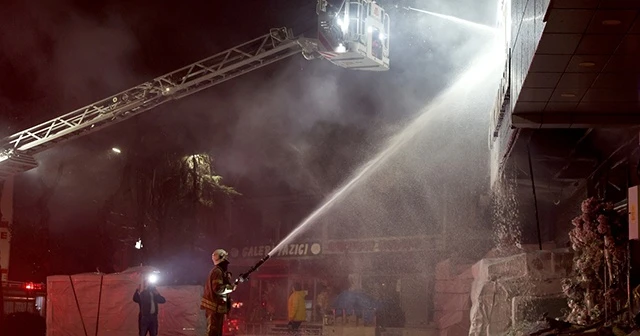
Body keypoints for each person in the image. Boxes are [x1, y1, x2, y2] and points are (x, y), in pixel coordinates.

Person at [201, 249, 237, 336]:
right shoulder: (217, 272)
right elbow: (217, 289)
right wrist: (231, 288)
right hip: (214, 309)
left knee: (216, 332)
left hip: (216, 309)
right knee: (213, 332)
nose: (227, 262)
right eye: (225, 259)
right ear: (222, 258)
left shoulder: (219, 271)